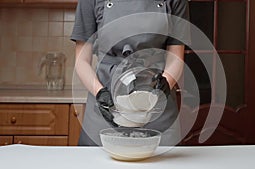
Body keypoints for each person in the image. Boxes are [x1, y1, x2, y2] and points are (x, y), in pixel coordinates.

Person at [71, 0, 190, 146]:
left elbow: (176, 56)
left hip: (156, 101)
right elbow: (82, 60)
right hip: (106, 102)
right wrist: (100, 93)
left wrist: (166, 83)